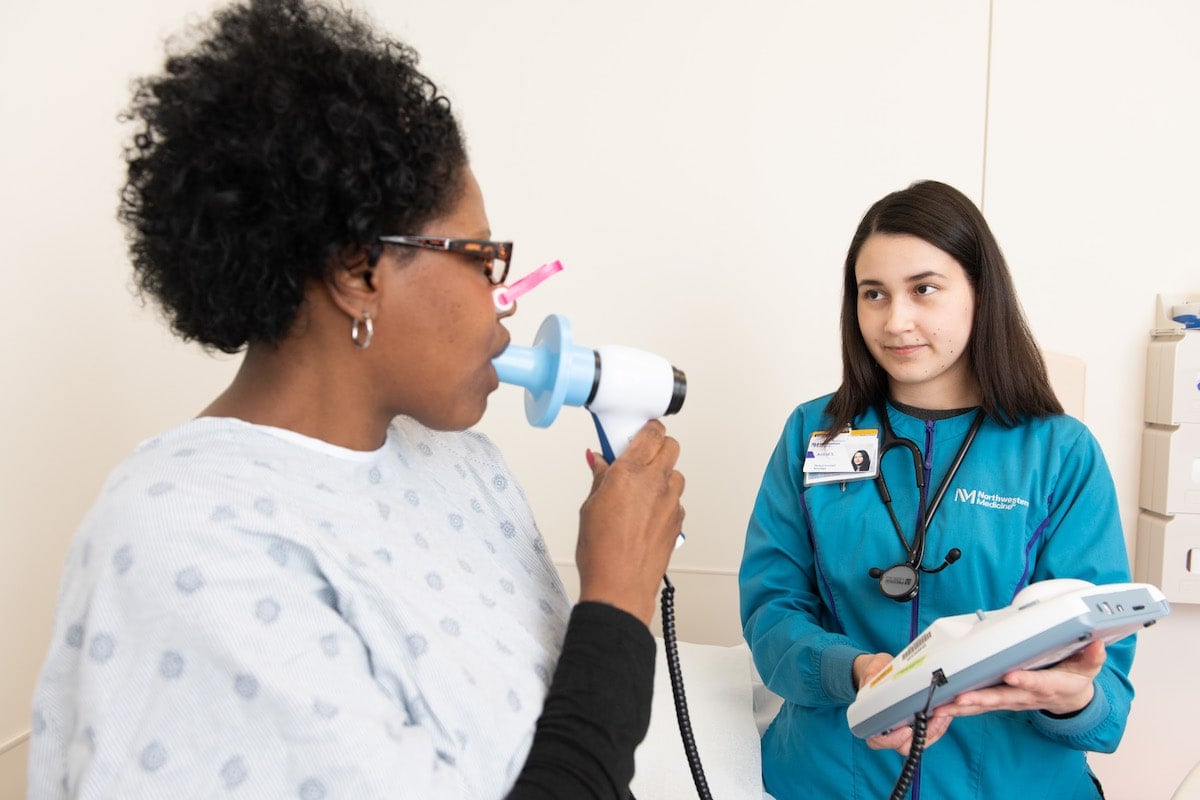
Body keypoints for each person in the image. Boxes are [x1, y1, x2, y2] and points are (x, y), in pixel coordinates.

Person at [27, 1, 685, 798]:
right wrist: (616, 600)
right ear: (357, 272)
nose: (500, 303)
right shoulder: (184, 547)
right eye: (482, 260)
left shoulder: (463, 465)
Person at [738, 180, 1133, 799]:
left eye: (924, 289)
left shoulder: (1059, 453)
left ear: (981, 292)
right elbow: (771, 611)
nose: (896, 320)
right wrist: (858, 671)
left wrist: (1073, 697)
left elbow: (1108, 699)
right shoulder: (813, 434)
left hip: (1009, 782)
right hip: (832, 778)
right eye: (874, 294)